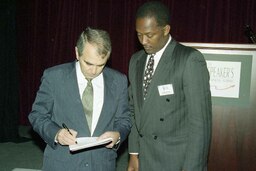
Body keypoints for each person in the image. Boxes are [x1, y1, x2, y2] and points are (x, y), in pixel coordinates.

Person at [28, 27, 131, 171]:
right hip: (62, 164)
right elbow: (37, 115)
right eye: (88, 63)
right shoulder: (54, 77)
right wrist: (57, 133)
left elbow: (124, 119)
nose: (94, 71)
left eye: (101, 65)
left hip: (102, 164)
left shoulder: (118, 81)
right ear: (77, 52)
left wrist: (118, 134)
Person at [127, 1, 212, 171]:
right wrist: (134, 154)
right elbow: (134, 112)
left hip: (175, 161)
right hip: (144, 159)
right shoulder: (136, 60)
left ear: (166, 30)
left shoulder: (189, 60)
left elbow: (200, 125)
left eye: (149, 35)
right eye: (139, 34)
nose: (143, 41)